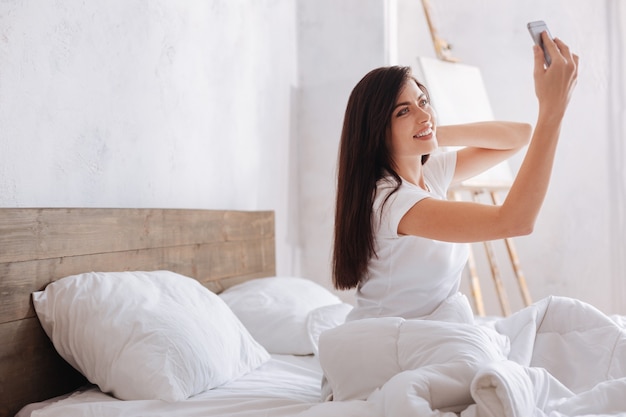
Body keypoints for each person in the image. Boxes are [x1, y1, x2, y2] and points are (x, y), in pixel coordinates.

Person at [332, 32, 579, 321]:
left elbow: (519, 135)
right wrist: (553, 110)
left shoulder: (429, 173)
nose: (423, 114)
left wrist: (431, 133)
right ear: (376, 132)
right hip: (388, 342)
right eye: (403, 112)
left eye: (423, 102)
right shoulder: (391, 201)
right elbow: (515, 222)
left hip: (425, 334)